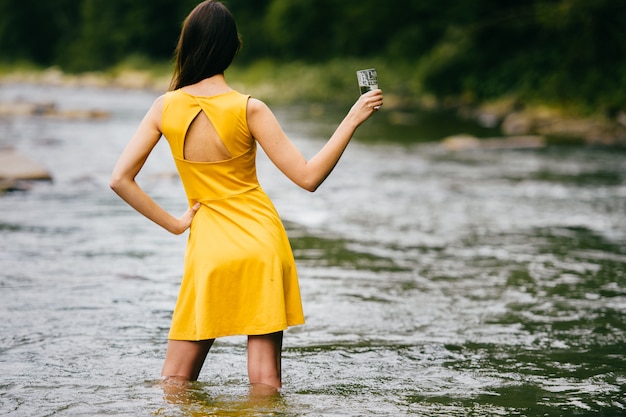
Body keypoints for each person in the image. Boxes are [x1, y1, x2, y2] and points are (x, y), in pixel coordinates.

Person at [110, 0, 383, 391]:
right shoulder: (249, 107)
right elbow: (308, 177)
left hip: (209, 247)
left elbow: (120, 179)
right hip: (261, 243)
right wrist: (353, 117)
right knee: (265, 383)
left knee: (174, 382)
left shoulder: (163, 107)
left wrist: (175, 224)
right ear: (232, 49)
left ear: (186, 45)